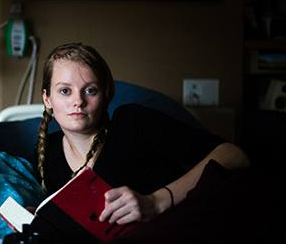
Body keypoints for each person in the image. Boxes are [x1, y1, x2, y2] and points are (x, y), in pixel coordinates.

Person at [33, 42, 251, 241]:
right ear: (47, 99)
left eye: (90, 90)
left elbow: (234, 155)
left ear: (106, 94)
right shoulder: (48, 154)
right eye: (65, 91)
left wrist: (156, 201)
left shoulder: (133, 123)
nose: (78, 101)